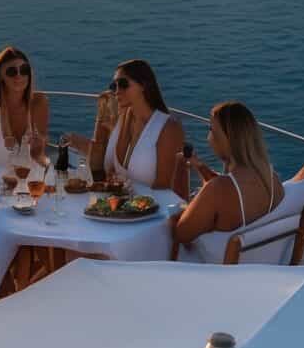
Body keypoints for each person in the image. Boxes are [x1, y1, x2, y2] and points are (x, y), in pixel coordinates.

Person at [172, 101, 284, 248]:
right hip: (257, 263)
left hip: (216, 267)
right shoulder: (273, 180)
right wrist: (199, 166)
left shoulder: (216, 190)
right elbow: (232, 190)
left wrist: (180, 168)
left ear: (226, 139)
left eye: (211, 129)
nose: (209, 137)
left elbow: (181, 235)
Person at [66, 59, 185, 193]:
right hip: (118, 207)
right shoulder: (121, 118)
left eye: (123, 84)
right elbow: (110, 173)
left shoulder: (168, 127)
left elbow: (164, 188)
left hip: (154, 210)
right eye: (114, 86)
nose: (117, 91)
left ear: (143, 85)